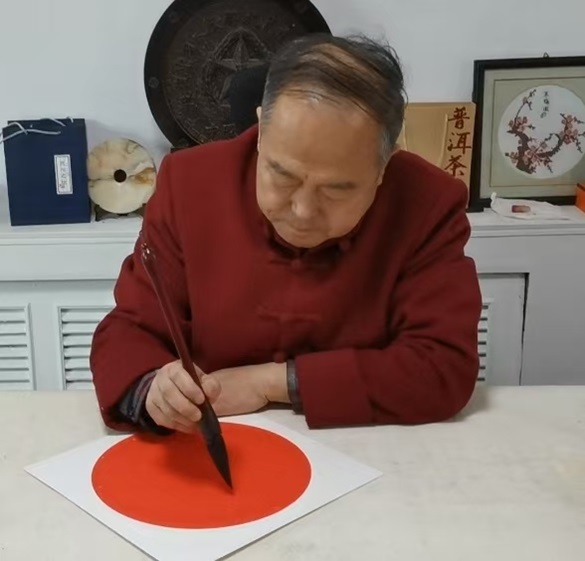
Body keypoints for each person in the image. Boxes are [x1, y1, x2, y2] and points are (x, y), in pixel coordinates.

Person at [90, 33, 483, 435]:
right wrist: (156, 388)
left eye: (337, 189)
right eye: (282, 175)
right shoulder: (189, 183)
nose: (302, 211)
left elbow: (443, 366)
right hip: (216, 437)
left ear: (385, 164)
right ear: (262, 130)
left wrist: (270, 382)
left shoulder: (426, 203)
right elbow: (128, 331)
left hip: (366, 443)